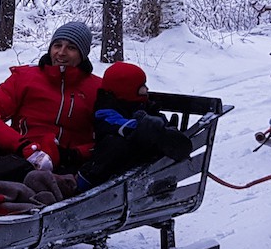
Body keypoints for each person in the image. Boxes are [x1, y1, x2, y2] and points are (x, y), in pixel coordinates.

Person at [0, 21, 101, 180]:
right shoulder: (25, 78)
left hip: (70, 166)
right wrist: (23, 146)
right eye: (57, 45)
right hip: (19, 157)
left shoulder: (98, 89)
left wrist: (73, 154)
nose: (61, 53)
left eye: (71, 48)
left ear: (83, 54)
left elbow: (107, 138)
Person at [74, 62, 193, 191]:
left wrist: (162, 129)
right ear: (127, 89)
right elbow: (123, 127)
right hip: (106, 169)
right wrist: (148, 126)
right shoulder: (106, 111)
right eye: (142, 86)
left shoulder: (141, 104)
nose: (146, 89)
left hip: (137, 167)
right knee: (117, 143)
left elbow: (155, 121)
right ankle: (84, 183)